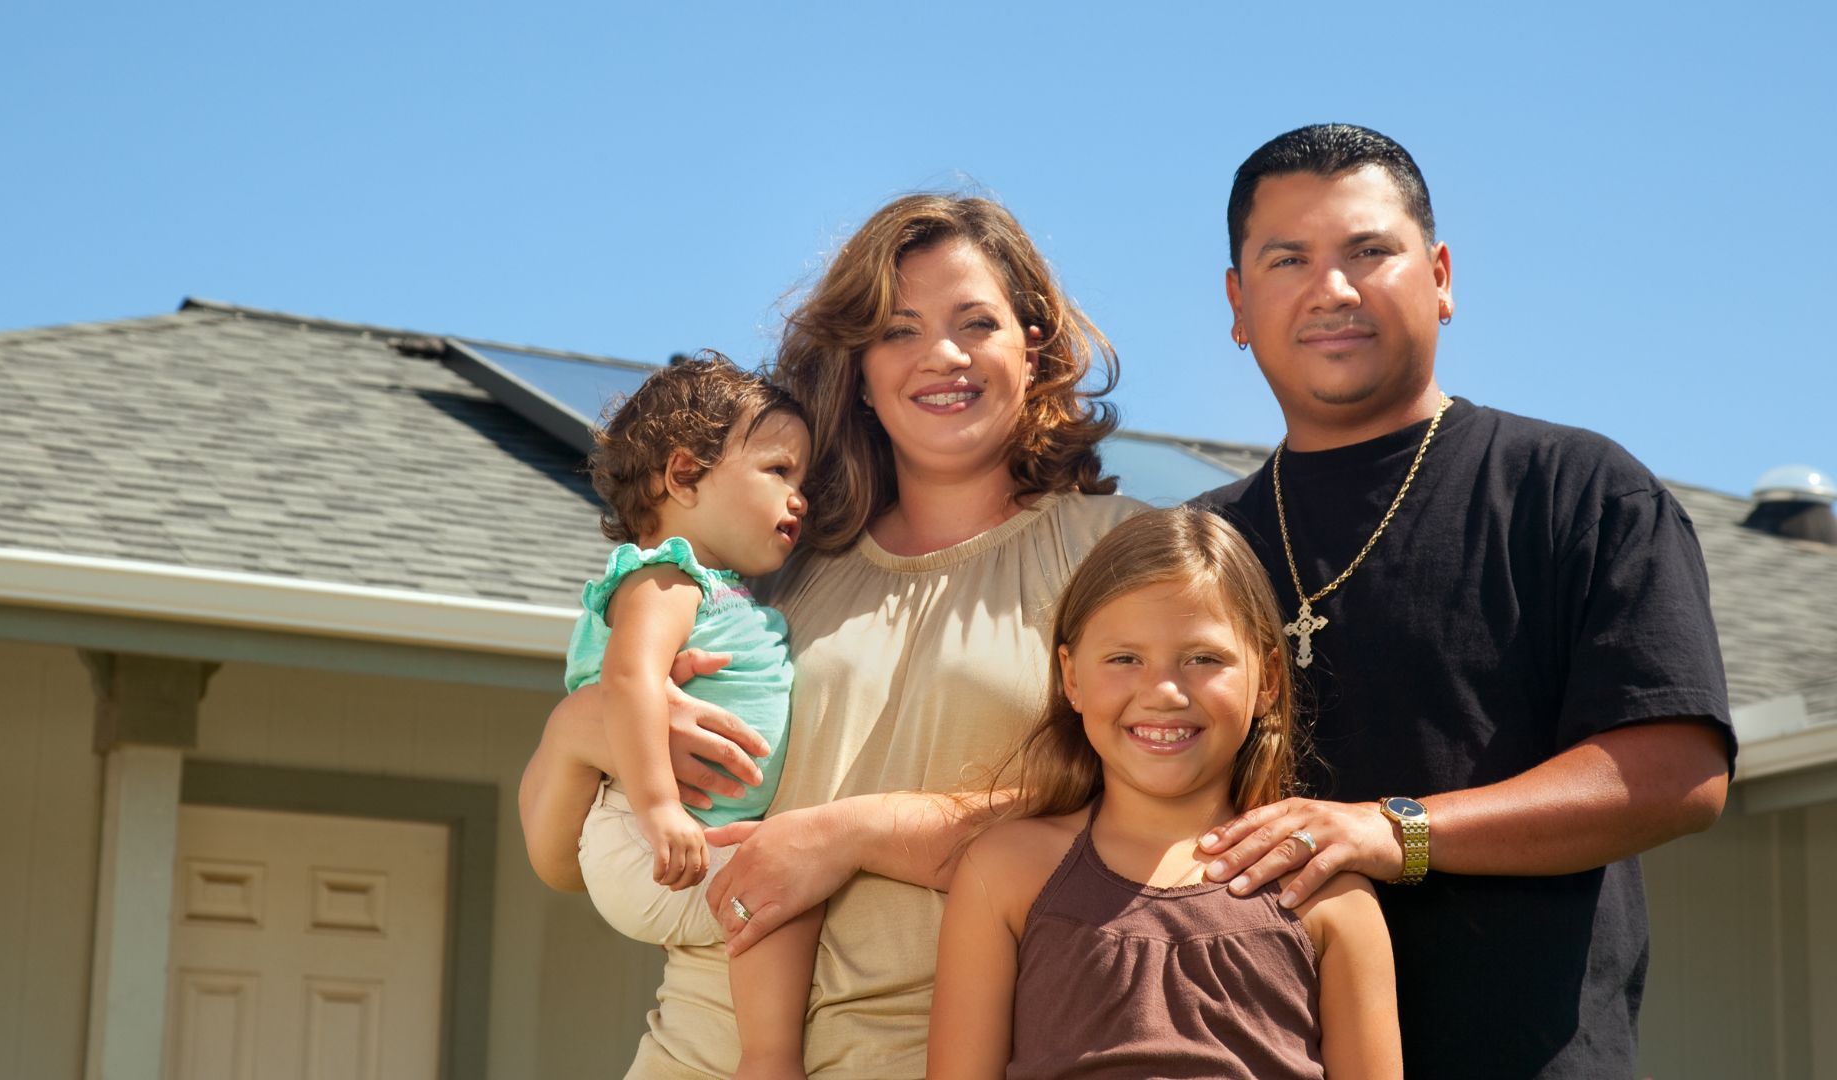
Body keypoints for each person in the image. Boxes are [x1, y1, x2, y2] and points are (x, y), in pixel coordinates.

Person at [519, 193, 1147, 1078]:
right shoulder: (768, 563)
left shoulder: (1123, 554)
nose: (942, 355)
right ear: (855, 365)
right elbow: (559, 861)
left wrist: (852, 833)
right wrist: (580, 730)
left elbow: (1161, 834)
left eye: (977, 321)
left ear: (1032, 344)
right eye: (899, 330)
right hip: (698, 1056)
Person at [1193, 124, 1736, 1079]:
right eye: (1289, 260)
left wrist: (1393, 831)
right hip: (1250, 1054)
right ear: (1238, 303)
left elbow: (1678, 769)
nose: (1334, 289)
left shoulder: (1580, 491)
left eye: (1370, 251)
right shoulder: (1196, 547)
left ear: (1439, 274)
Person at [928, 506, 1400, 1080]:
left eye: (1204, 659)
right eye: (1125, 659)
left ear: (1268, 681)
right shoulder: (1002, 871)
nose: (1164, 692)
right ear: (1071, 678)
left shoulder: (1330, 894)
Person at [564, 355, 821, 1079]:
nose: (799, 497)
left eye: (803, 480)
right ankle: (768, 1061)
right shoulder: (667, 576)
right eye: (778, 471)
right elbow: (629, 678)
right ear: (684, 476)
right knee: (786, 884)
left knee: (778, 879)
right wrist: (658, 810)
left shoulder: (723, 589)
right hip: (647, 835)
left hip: (679, 835)